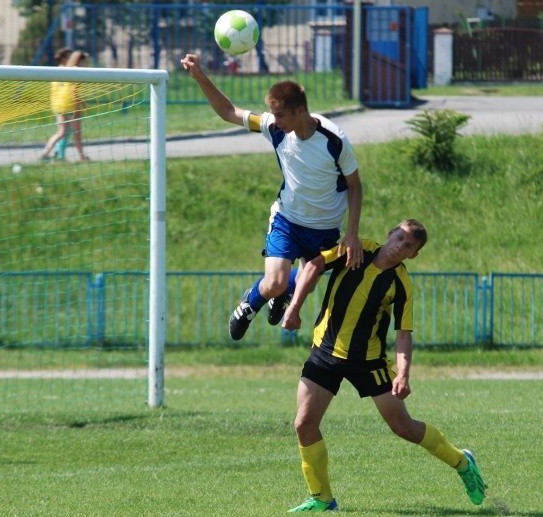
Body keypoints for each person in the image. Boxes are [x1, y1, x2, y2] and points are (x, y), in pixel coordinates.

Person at [282, 219, 486, 512]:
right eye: (399, 238)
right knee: (304, 424)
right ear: (389, 234)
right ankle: (322, 498)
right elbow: (313, 265)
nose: (400, 246)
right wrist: (294, 307)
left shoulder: (401, 283)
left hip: (368, 362)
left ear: (412, 255)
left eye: (408, 246)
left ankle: (462, 461)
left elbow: (403, 333)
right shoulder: (356, 249)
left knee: (403, 428)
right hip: (325, 353)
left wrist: (402, 374)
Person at [180, 53, 364, 341]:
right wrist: (200, 76)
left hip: (326, 227)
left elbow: (355, 185)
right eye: (273, 115)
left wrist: (351, 234)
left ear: (300, 112)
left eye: (280, 115)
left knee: (305, 284)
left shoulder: (334, 140)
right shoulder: (275, 128)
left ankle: (283, 293)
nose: (274, 121)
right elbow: (229, 112)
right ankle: (249, 304)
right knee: (275, 282)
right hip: (288, 220)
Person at [40, 48, 90, 162]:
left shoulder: (62, 70)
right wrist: (79, 105)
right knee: (76, 134)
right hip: (70, 105)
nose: (87, 64)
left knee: (62, 132)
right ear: (80, 61)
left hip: (59, 104)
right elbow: (74, 90)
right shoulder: (76, 71)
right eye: (85, 62)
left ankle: (49, 153)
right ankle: (82, 157)